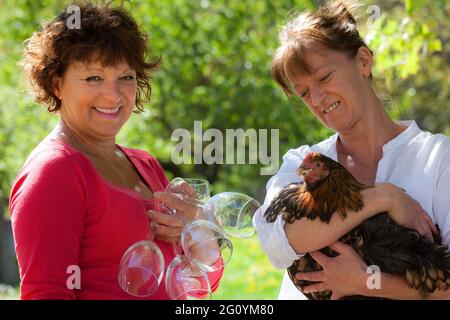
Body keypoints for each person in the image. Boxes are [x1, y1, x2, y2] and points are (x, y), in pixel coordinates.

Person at [9, 3, 223, 300]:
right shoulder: (54, 172)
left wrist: (197, 229)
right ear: (57, 84)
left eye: (126, 77)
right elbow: (46, 293)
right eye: (93, 78)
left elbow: (202, 284)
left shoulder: (145, 164)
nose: (113, 94)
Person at [253, 0, 450, 300]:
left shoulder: (438, 159)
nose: (317, 99)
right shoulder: (303, 162)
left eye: (324, 77)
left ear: (363, 62)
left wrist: (365, 282)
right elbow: (281, 241)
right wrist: (384, 197)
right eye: (304, 92)